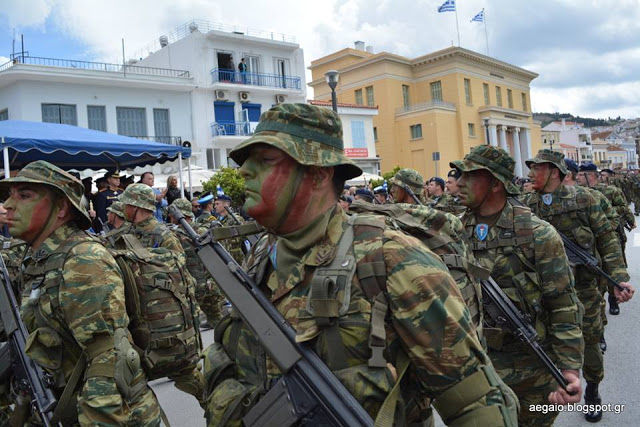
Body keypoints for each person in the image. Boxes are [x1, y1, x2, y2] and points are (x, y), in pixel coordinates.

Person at [202, 103, 518, 426]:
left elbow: (478, 404)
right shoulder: (258, 257)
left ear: (318, 174)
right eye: (246, 160)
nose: (243, 171)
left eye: (266, 160)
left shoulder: (391, 259)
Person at [1, 161, 160, 426]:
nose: (8, 205)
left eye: (24, 195)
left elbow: (109, 360)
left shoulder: (82, 259)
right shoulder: (37, 258)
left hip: (105, 414)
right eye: (9, 196)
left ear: (61, 207)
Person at [451, 146, 584, 427]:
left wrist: (569, 367)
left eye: (470, 175)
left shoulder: (537, 234)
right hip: (475, 365)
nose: (459, 182)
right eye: (459, 174)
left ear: (496, 184)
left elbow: (562, 304)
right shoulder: (452, 231)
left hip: (530, 368)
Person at [522, 149, 635, 423]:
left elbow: (607, 238)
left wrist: (619, 277)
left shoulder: (585, 199)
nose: (531, 173)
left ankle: (593, 390)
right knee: (542, 345)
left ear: (555, 172)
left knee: (591, 343)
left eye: (538, 168)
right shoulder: (525, 205)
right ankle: (546, 402)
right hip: (542, 293)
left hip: (583, 287)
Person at [118, 183, 204, 403]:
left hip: (162, 317)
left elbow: (181, 271)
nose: (123, 208)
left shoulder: (163, 234)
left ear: (135, 206)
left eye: (126, 204)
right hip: (138, 313)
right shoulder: (127, 233)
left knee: (188, 378)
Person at [168, 198, 224, 329]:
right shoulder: (203, 229)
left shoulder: (174, 235)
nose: (169, 217)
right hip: (211, 281)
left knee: (191, 324)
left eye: (171, 214)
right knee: (217, 320)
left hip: (194, 285)